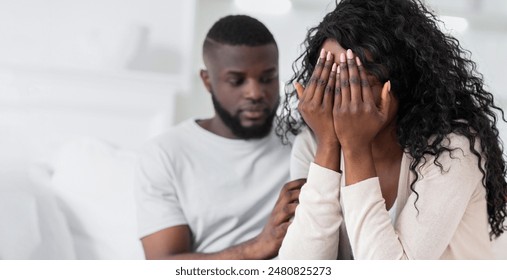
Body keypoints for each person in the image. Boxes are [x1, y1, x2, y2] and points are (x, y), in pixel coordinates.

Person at [276, 0, 507, 259]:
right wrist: (328, 146)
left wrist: (355, 148)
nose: (341, 100)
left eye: (355, 84)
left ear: (397, 83)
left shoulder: (452, 148)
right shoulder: (312, 144)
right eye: (328, 80)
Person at [134, 15, 304, 260]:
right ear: (207, 81)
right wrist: (258, 246)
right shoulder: (164, 154)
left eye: (268, 78)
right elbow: (163, 264)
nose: (255, 93)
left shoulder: (305, 139)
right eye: (237, 81)